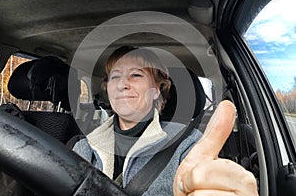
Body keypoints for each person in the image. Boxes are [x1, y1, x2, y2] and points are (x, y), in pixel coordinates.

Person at [73, 45, 258, 196]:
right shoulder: (83, 147)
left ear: (156, 91)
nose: (122, 85)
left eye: (136, 75)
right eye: (115, 76)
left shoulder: (187, 144)